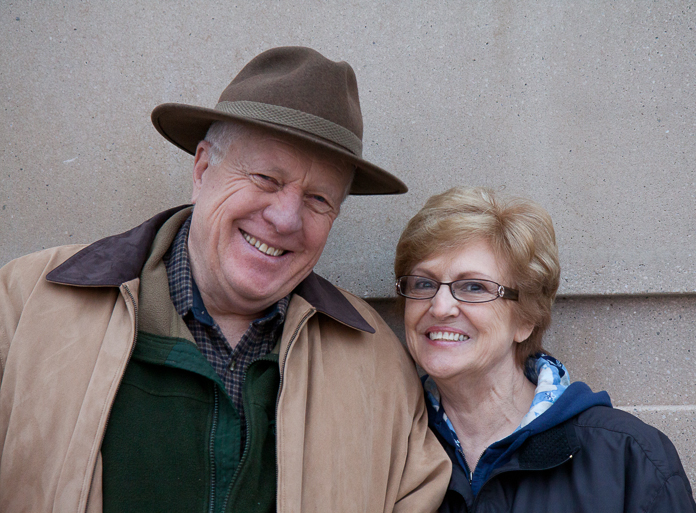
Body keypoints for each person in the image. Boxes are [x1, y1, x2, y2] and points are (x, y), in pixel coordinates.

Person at [0, 47, 450, 513]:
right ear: (201, 170)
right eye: (266, 178)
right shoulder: (25, 303)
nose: (285, 218)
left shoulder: (377, 363)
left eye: (318, 199)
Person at [393, 186, 696, 512]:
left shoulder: (628, 457)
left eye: (474, 287)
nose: (440, 307)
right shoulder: (389, 445)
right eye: (423, 283)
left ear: (526, 318)